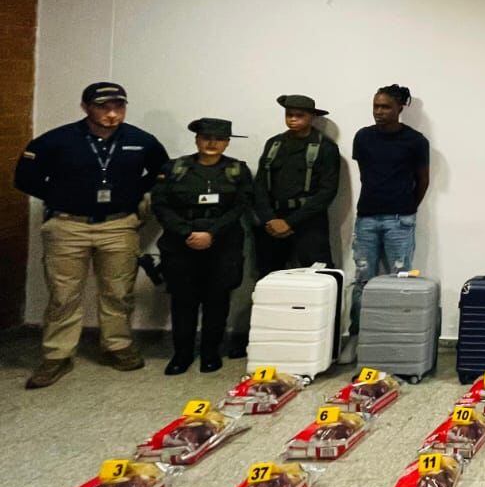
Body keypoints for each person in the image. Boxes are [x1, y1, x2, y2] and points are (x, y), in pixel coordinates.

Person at [12, 82, 169, 388]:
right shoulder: (57, 140)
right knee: (63, 293)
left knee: (118, 290)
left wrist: (134, 194)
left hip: (118, 225)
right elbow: (25, 178)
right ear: (85, 107)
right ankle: (57, 355)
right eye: (103, 107)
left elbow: (162, 173)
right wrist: (61, 196)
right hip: (68, 225)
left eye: (119, 107)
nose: (112, 114)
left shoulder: (141, 140)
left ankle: (117, 346)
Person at [149, 119, 254, 375]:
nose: (211, 143)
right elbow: (160, 205)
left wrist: (211, 233)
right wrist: (188, 232)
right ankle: (181, 354)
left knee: (217, 301)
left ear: (227, 142)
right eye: (205, 137)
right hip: (181, 245)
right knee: (183, 301)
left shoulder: (237, 171)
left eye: (218, 139)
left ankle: (210, 353)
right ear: (196, 139)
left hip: (222, 246)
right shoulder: (175, 168)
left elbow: (240, 206)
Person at [350, 84, 429, 333]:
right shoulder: (363, 136)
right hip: (366, 218)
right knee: (363, 279)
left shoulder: (415, 141)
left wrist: (405, 206)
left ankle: (395, 335)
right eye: (376, 106)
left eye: (385, 107)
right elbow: (365, 174)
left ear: (399, 108)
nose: (379, 111)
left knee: (400, 280)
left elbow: (423, 180)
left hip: (400, 219)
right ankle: (359, 335)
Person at [253, 94, 341, 276]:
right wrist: (269, 219)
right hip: (273, 220)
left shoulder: (325, 147)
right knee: (268, 276)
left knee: (319, 275)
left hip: (309, 221)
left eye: (299, 115)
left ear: (312, 117)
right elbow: (259, 186)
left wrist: (290, 222)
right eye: (289, 114)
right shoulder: (274, 144)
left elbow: (327, 192)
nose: (293, 119)